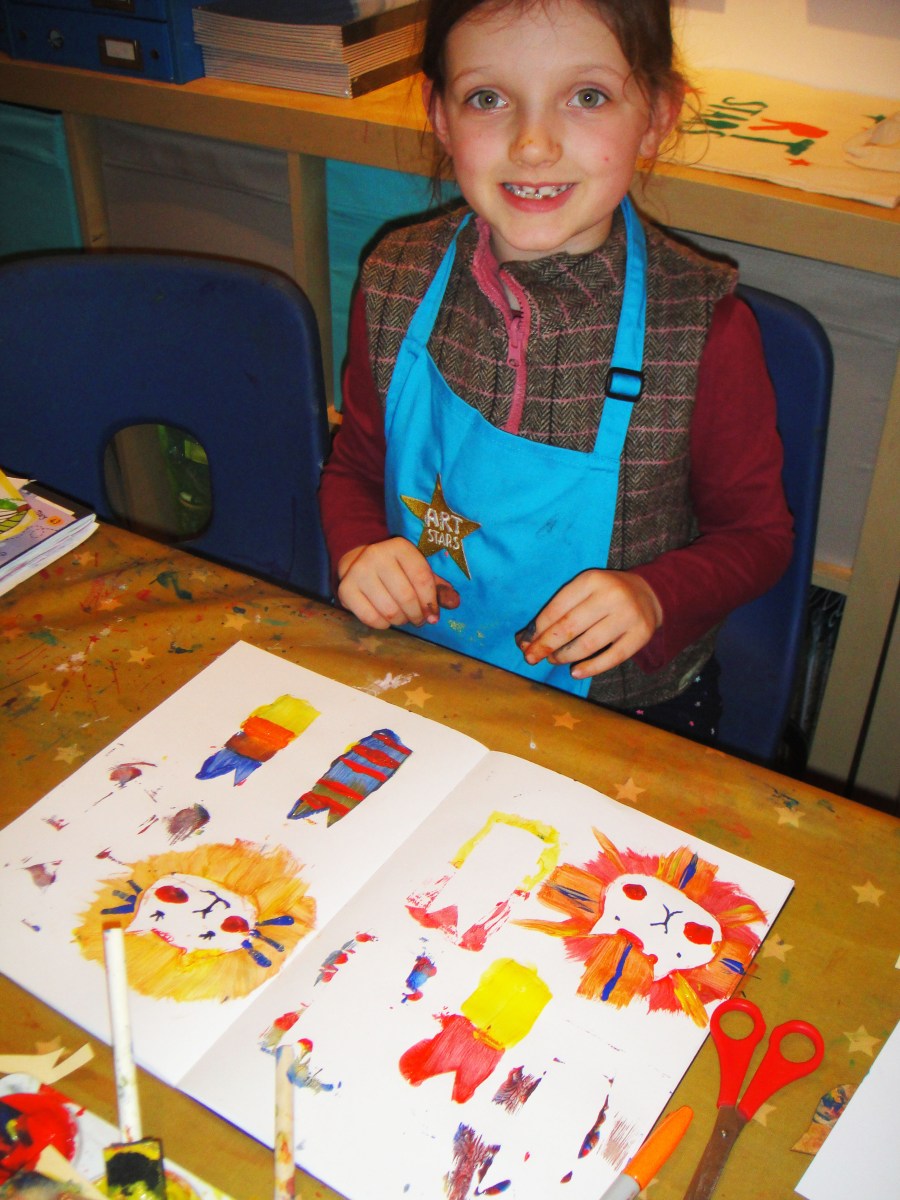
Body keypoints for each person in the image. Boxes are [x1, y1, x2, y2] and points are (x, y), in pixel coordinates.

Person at [319, 0, 794, 744]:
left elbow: (757, 537)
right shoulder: (394, 279)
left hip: (622, 714)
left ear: (657, 116)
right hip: (423, 674)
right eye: (487, 98)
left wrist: (654, 596)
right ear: (439, 114)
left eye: (588, 96)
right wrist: (358, 546)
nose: (533, 144)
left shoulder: (704, 330)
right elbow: (355, 466)